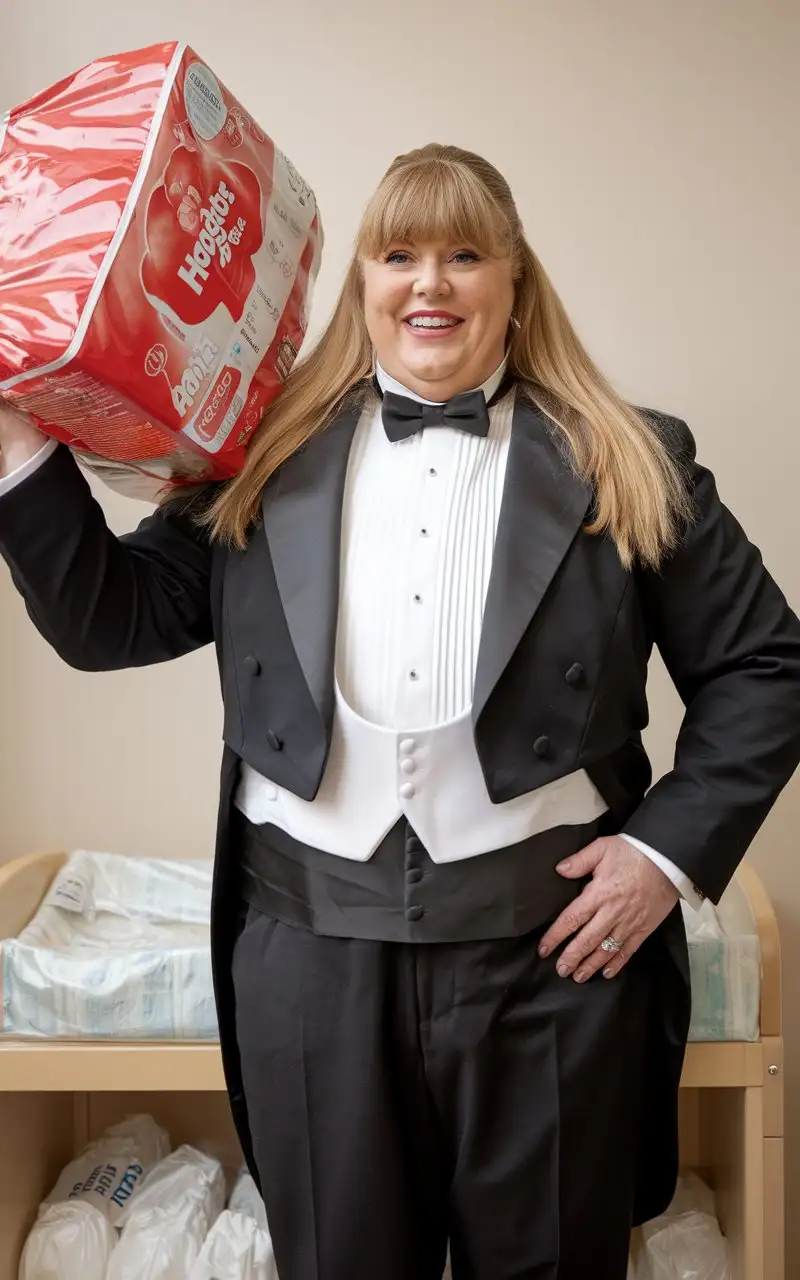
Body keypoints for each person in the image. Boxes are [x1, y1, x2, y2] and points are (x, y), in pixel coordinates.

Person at [1, 143, 799, 1280]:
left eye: (464, 254)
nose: (430, 282)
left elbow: (765, 665)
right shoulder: (253, 456)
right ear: (363, 284)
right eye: (400, 253)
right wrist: (16, 442)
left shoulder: (629, 456)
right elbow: (108, 621)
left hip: (552, 967)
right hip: (308, 951)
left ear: (513, 284)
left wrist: (659, 857)